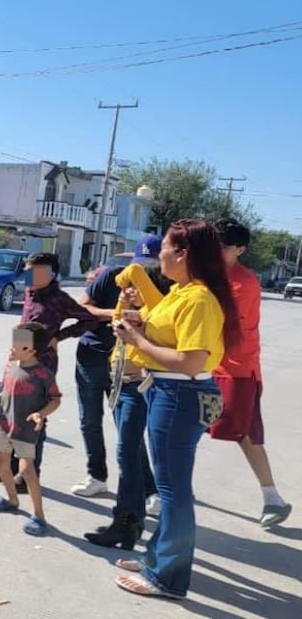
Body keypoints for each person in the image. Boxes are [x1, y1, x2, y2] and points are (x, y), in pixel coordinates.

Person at [112, 219, 240, 599]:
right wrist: (139, 320)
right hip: (169, 392)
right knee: (170, 487)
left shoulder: (199, 298)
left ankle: (167, 576)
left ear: (182, 254)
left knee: (172, 491)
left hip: (180, 394)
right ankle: (159, 557)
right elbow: (167, 333)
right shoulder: (182, 292)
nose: (159, 255)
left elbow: (189, 360)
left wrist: (136, 337)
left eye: (165, 247)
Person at [84, 246, 174, 550]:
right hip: (122, 384)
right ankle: (129, 520)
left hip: (139, 387)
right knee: (129, 453)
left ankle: (127, 519)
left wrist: (133, 275)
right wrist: (124, 298)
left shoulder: (158, 307)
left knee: (128, 453)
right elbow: (117, 322)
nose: (130, 291)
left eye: (136, 289)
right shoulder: (138, 310)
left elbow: (132, 273)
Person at [0, 252, 98, 490]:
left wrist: (59, 336)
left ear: (53, 274)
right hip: (20, 360)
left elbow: (89, 320)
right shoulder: (30, 293)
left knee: (34, 416)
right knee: (13, 411)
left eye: (37, 272)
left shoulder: (58, 299)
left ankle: (28, 476)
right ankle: (13, 467)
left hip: (41, 365)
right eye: (28, 271)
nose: (31, 276)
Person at [211, 218, 291, 527]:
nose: (216, 251)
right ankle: (165, 492)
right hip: (202, 363)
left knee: (244, 433)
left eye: (223, 246)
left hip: (236, 369)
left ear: (240, 249)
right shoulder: (207, 274)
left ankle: (273, 498)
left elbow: (218, 321)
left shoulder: (243, 282)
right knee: (180, 426)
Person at [71, 234, 163, 503]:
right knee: (89, 420)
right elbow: (82, 306)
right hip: (92, 355)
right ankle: (96, 476)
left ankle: (149, 490)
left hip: (130, 366)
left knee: (128, 430)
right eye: (140, 262)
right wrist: (114, 312)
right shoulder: (112, 275)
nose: (142, 270)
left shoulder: (163, 290)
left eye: (150, 264)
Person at [0, 322, 62, 536]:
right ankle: (11, 499)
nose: (12, 346)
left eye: (17, 343)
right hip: (3, 423)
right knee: (1, 460)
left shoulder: (43, 374)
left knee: (27, 470)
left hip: (26, 429)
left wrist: (41, 414)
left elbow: (55, 399)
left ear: (32, 350)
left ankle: (39, 515)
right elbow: (6, 392)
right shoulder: (10, 366)